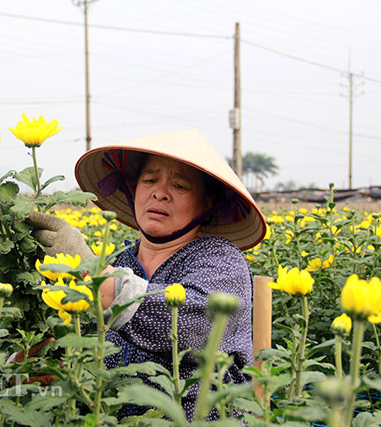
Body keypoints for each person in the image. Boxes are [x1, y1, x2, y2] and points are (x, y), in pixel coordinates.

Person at [23, 129, 267, 421]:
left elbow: (194, 325)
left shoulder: (221, 259)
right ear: (132, 189)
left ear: (207, 204)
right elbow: (82, 343)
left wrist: (89, 272)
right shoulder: (120, 261)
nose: (160, 192)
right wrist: (42, 363)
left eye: (180, 185)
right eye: (150, 180)